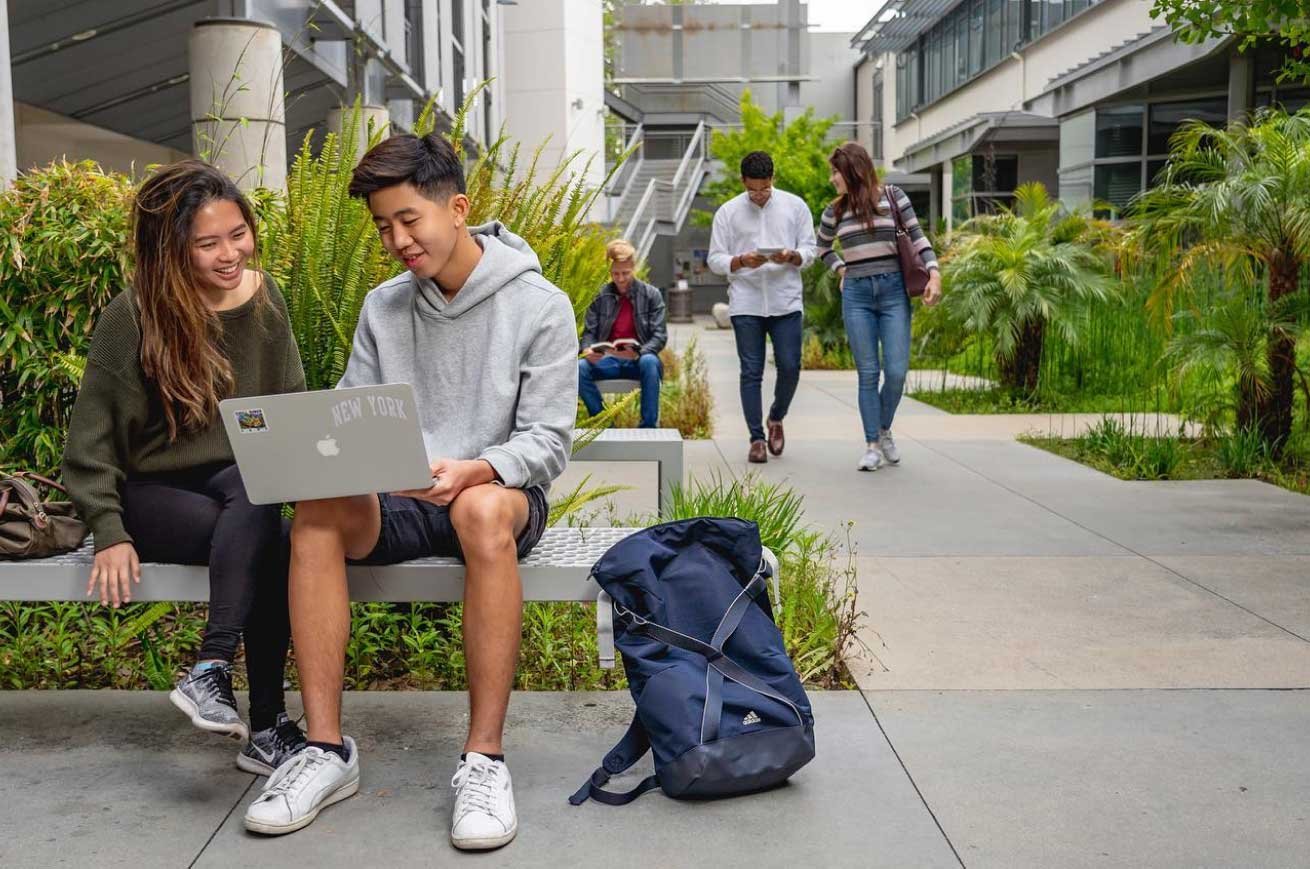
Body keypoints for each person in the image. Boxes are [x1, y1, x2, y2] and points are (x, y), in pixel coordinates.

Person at [241, 132, 578, 850]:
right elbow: (350, 410)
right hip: (398, 495)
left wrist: (473, 469)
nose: (395, 240)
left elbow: (549, 442)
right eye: (382, 227)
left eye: (407, 220)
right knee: (317, 512)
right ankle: (326, 751)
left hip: (495, 492)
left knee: (483, 510)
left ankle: (484, 760)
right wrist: (331, 454)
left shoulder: (540, 304)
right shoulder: (384, 307)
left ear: (457, 208)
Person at [62, 160, 309, 775]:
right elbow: (90, 446)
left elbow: (291, 410)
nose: (230, 253)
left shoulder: (267, 296)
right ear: (173, 249)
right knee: (267, 536)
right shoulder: (135, 315)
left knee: (259, 496)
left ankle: (211, 672)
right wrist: (109, 533)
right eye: (208, 243)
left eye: (238, 234)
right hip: (153, 492)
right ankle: (267, 726)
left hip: (239, 485)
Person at [817, 141, 942, 471]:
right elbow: (823, 250)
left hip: (892, 291)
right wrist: (841, 269)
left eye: (835, 172)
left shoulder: (894, 198)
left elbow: (918, 238)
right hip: (856, 293)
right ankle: (872, 444)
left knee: (897, 372)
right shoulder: (834, 212)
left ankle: (884, 428)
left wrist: (934, 274)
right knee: (868, 373)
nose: (832, 179)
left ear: (853, 171)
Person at [707, 150, 817, 464]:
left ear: (772, 179)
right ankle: (756, 439)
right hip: (746, 301)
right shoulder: (727, 212)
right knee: (751, 372)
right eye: (753, 189)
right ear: (743, 182)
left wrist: (791, 256)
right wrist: (740, 261)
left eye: (764, 188)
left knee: (790, 366)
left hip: (786, 301)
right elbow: (715, 259)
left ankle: (776, 417)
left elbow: (810, 249)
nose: (759, 195)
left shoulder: (795, 206)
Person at [577, 239, 668, 428]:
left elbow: (660, 335)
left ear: (633, 267)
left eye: (625, 273)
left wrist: (639, 352)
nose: (620, 278)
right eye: (615, 273)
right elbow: (589, 332)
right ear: (609, 270)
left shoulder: (651, 295)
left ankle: (648, 427)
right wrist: (587, 350)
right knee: (578, 368)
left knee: (650, 361)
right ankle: (605, 424)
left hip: (639, 361)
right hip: (608, 360)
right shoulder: (600, 296)